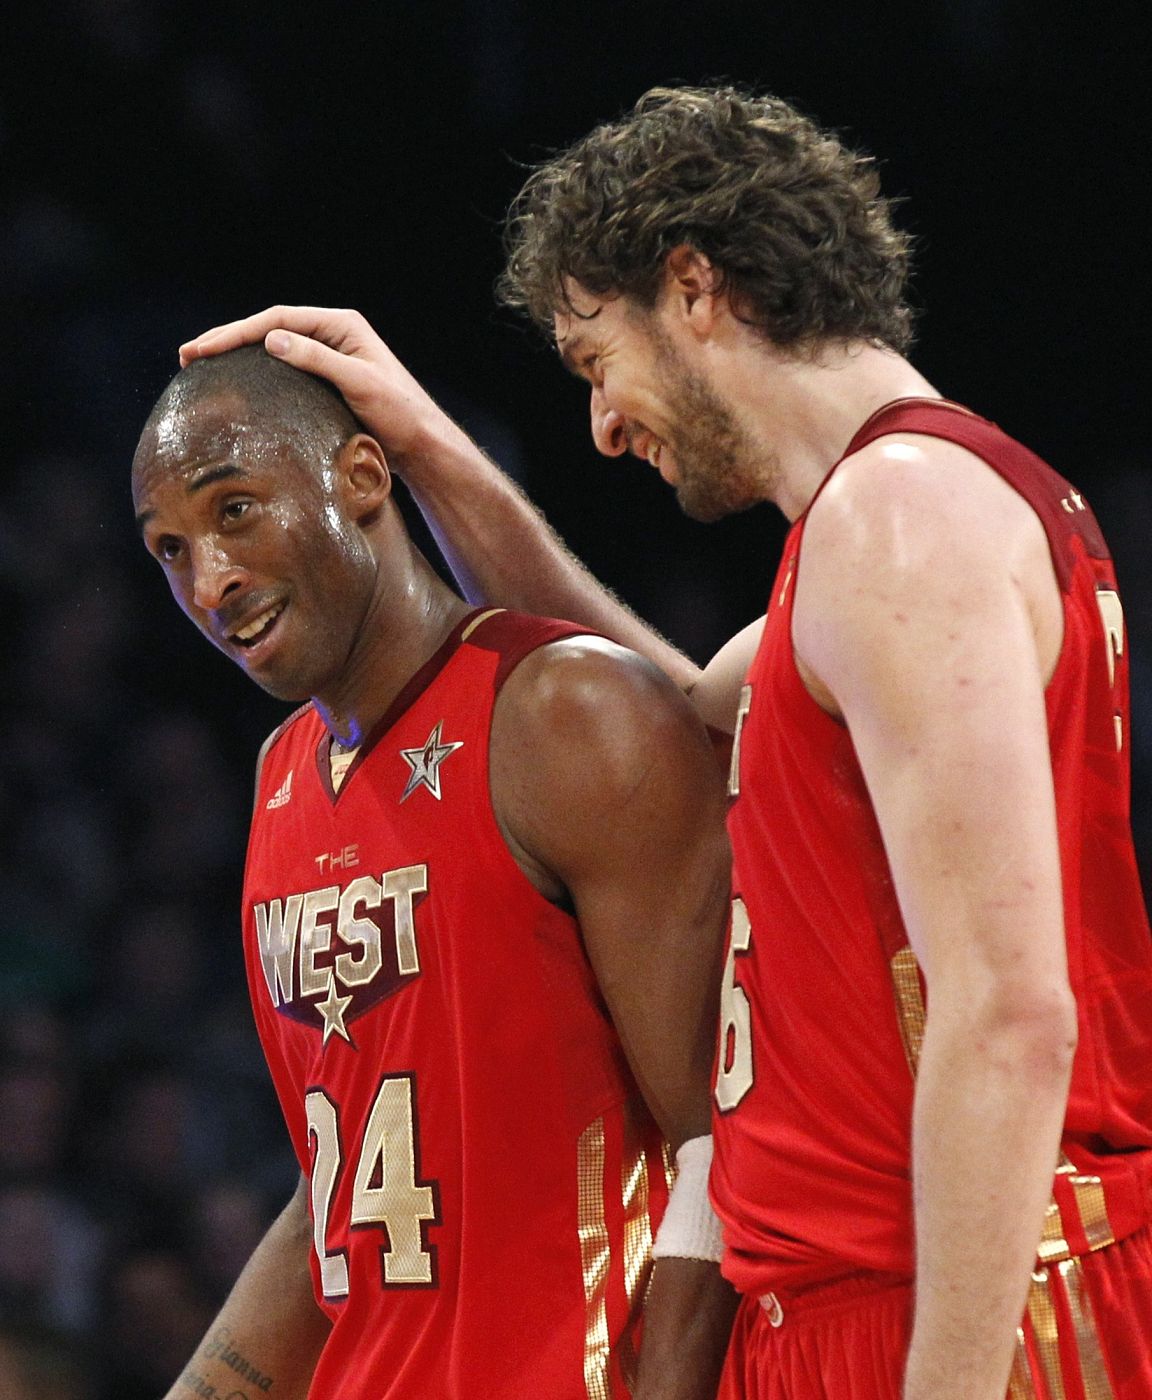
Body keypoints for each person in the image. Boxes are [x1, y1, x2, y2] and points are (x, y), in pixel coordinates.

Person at [179, 85, 1152, 1399]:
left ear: (694, 289)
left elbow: (1011, 1019)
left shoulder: (901, 521)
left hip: (973, 1302)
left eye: (596, 361)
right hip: (848, 1300)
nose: (603, 423)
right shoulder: (873, 541)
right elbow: (678, 698)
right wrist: (428, 450)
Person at [131, 345, 738, 1400]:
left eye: (236, 511)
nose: (210, 581)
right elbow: (348, 1185)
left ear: (365, 477)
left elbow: (723, 1134)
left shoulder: (567, 712)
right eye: (170, 549)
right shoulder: (282, 777)